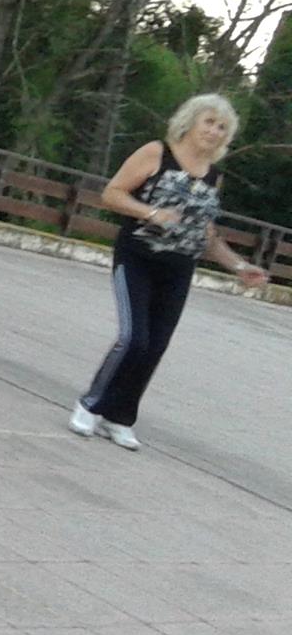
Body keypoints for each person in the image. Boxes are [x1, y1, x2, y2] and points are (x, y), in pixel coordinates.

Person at [70, 95, 267, 451]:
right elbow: (112, 194)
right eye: (209, 122)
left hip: (178, 268)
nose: (214, 131)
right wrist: (151, 213)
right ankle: (91, 405)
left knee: (155, 345)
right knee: (134, 338)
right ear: (190, 121)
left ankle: (119, 417)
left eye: (222, 127)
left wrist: (239, 266)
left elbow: (206, 233)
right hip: (138, 257)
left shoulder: (214, 176)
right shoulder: (156, 153)